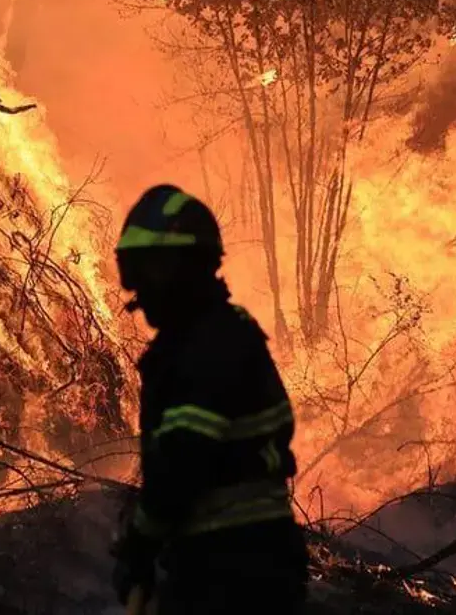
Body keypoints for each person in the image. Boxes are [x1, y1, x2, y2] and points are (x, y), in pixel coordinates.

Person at [109, 184, 309, 614]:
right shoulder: (213, 338)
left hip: (236, 573)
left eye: (152, 270)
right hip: (231, 564)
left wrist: (141, 540)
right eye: (135, 272)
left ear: (188, 267)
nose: (140, 291)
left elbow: (184, 460)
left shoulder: (209, 345)